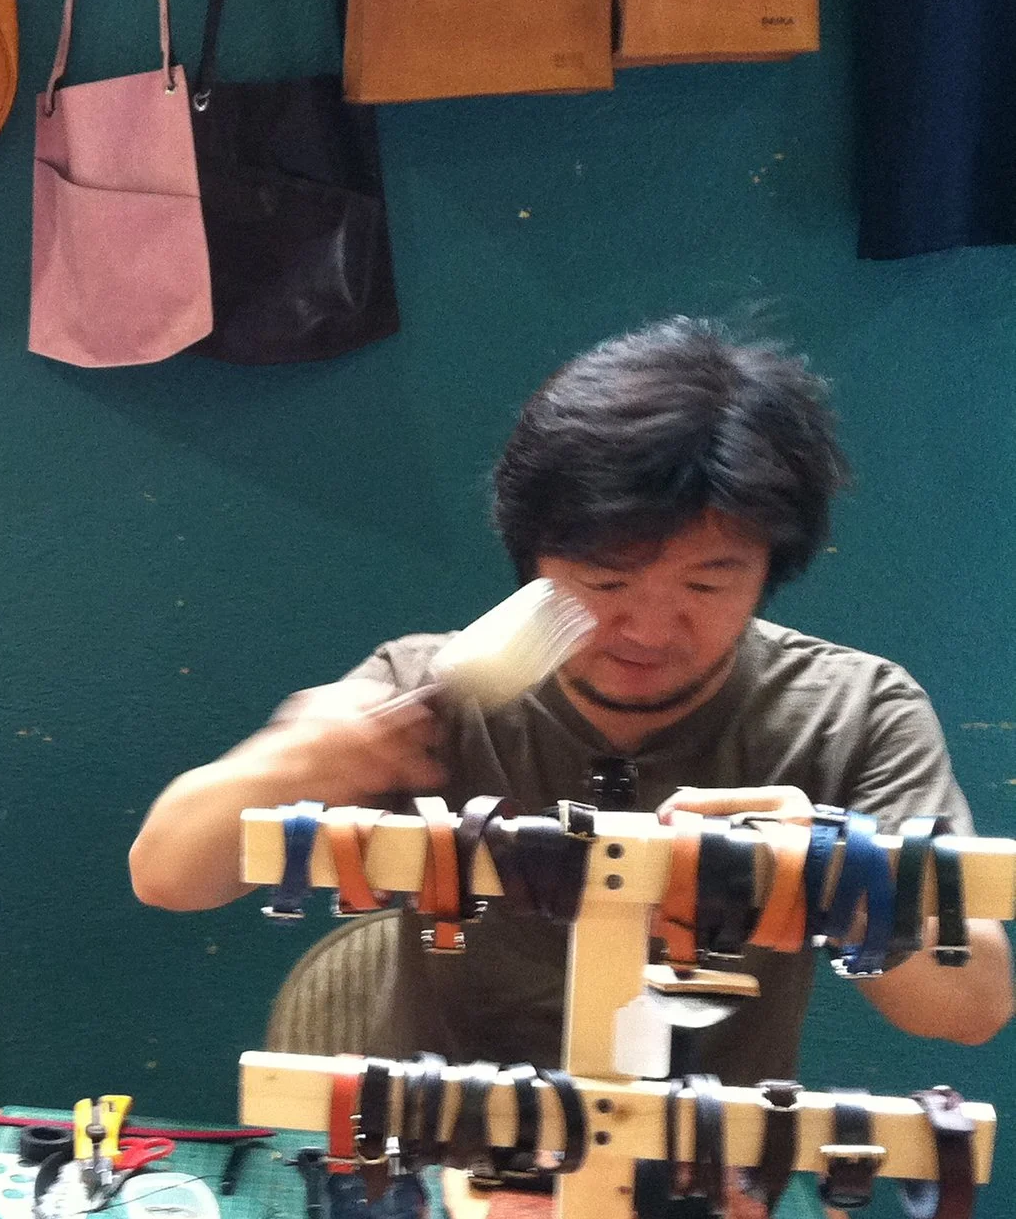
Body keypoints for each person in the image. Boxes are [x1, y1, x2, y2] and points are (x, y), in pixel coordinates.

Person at [127, 318, 1010, 1084]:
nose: (649, 628)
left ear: (771, 569)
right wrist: (291, 760)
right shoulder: (429, 689)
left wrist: (834, 873)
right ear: (534, 559)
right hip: (443, 1170)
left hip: (704, 1180)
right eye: (605, 579)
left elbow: (974, 1005)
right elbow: (166, 874)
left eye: (708, 584)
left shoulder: (854, 712)